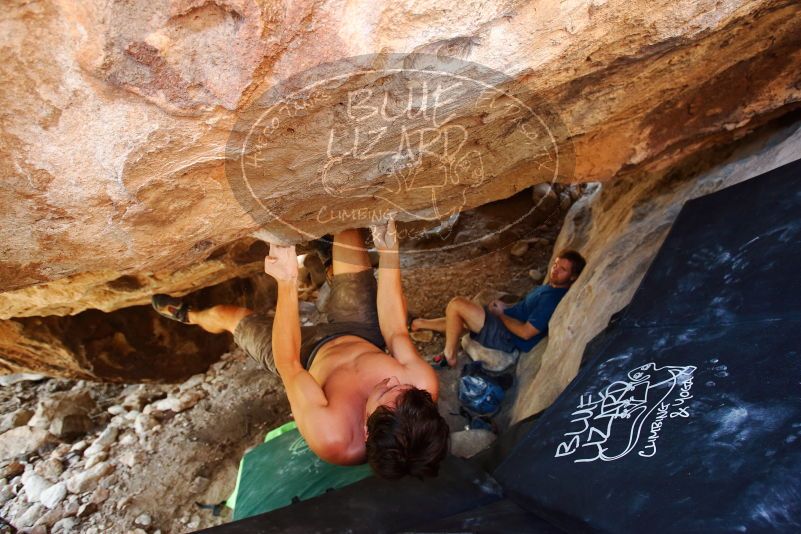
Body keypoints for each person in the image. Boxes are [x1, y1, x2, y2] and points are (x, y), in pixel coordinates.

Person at [151, 220, 449, 479]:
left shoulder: (332, 436)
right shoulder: (421, 386)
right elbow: (395, 330)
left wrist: (287, 280)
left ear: (367, 429)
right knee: (349, 232)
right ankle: (328, 261)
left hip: (302, 354)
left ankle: (188, 316)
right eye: (402, 388)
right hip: (360, 331)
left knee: (231, 317)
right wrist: (388, 251)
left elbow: (289, 363)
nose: (393, 381)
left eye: (384, 392)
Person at [412, 249, 586, 367]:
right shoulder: (551, 286)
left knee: (456, 304)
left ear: (573, 277)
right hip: (505, 322)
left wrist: (501, 314)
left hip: (506, 338)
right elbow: (525, 308)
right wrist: (506, 307)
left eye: (562, 269)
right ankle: (421, 324)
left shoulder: (551, 299)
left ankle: (449, 355)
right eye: (555, 265)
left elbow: (527, 332)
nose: (555, 270)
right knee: (461, 318)